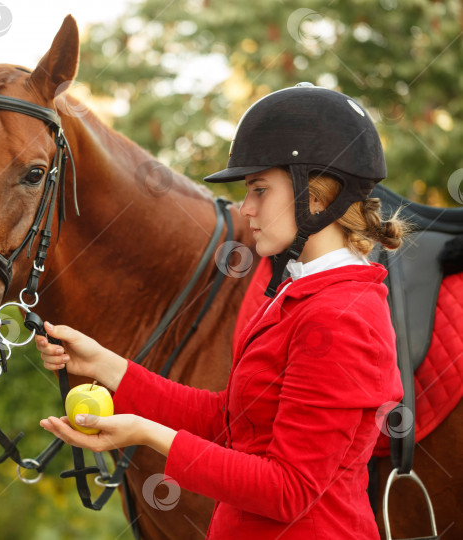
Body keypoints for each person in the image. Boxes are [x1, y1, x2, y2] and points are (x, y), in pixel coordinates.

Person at [36, 84, 407, 539]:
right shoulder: (298, 293)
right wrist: (108, 366)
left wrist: (148, 435)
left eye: (258, 189)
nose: (245, 208)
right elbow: (228, 420)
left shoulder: (341, 316)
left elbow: (288, 491)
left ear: (316, 195)